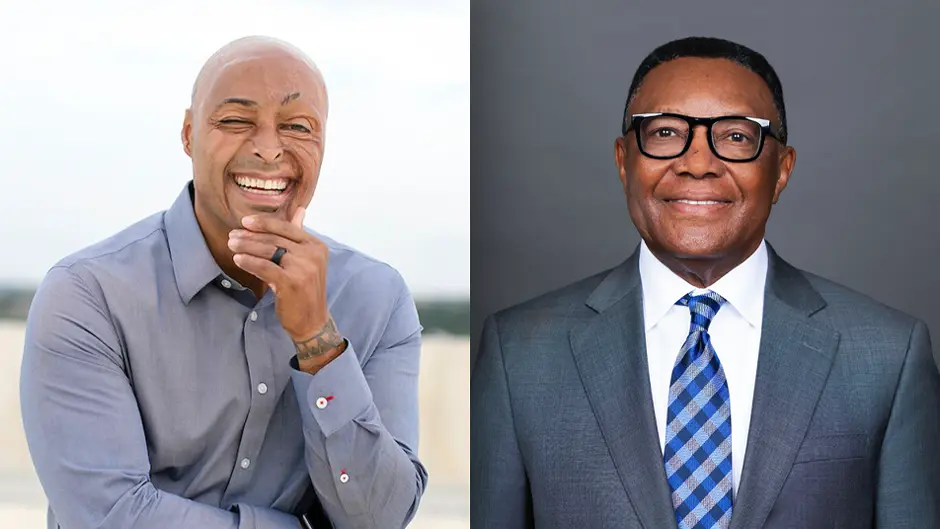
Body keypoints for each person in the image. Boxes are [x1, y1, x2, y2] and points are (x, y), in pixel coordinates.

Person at [470, 36, 940, 529]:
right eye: (666, 132)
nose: (697, 162)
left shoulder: (889, 357)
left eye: (737, 136)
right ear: (622, 160)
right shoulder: (518, 356)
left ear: (781, 170)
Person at [20, 36, 427, 529]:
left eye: (297, 126)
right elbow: (111, 517)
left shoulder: (379, 299)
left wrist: (319, 341)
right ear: (189, 135)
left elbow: (379, 519)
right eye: (236, 121)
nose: (269, 149)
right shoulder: (88, 296)